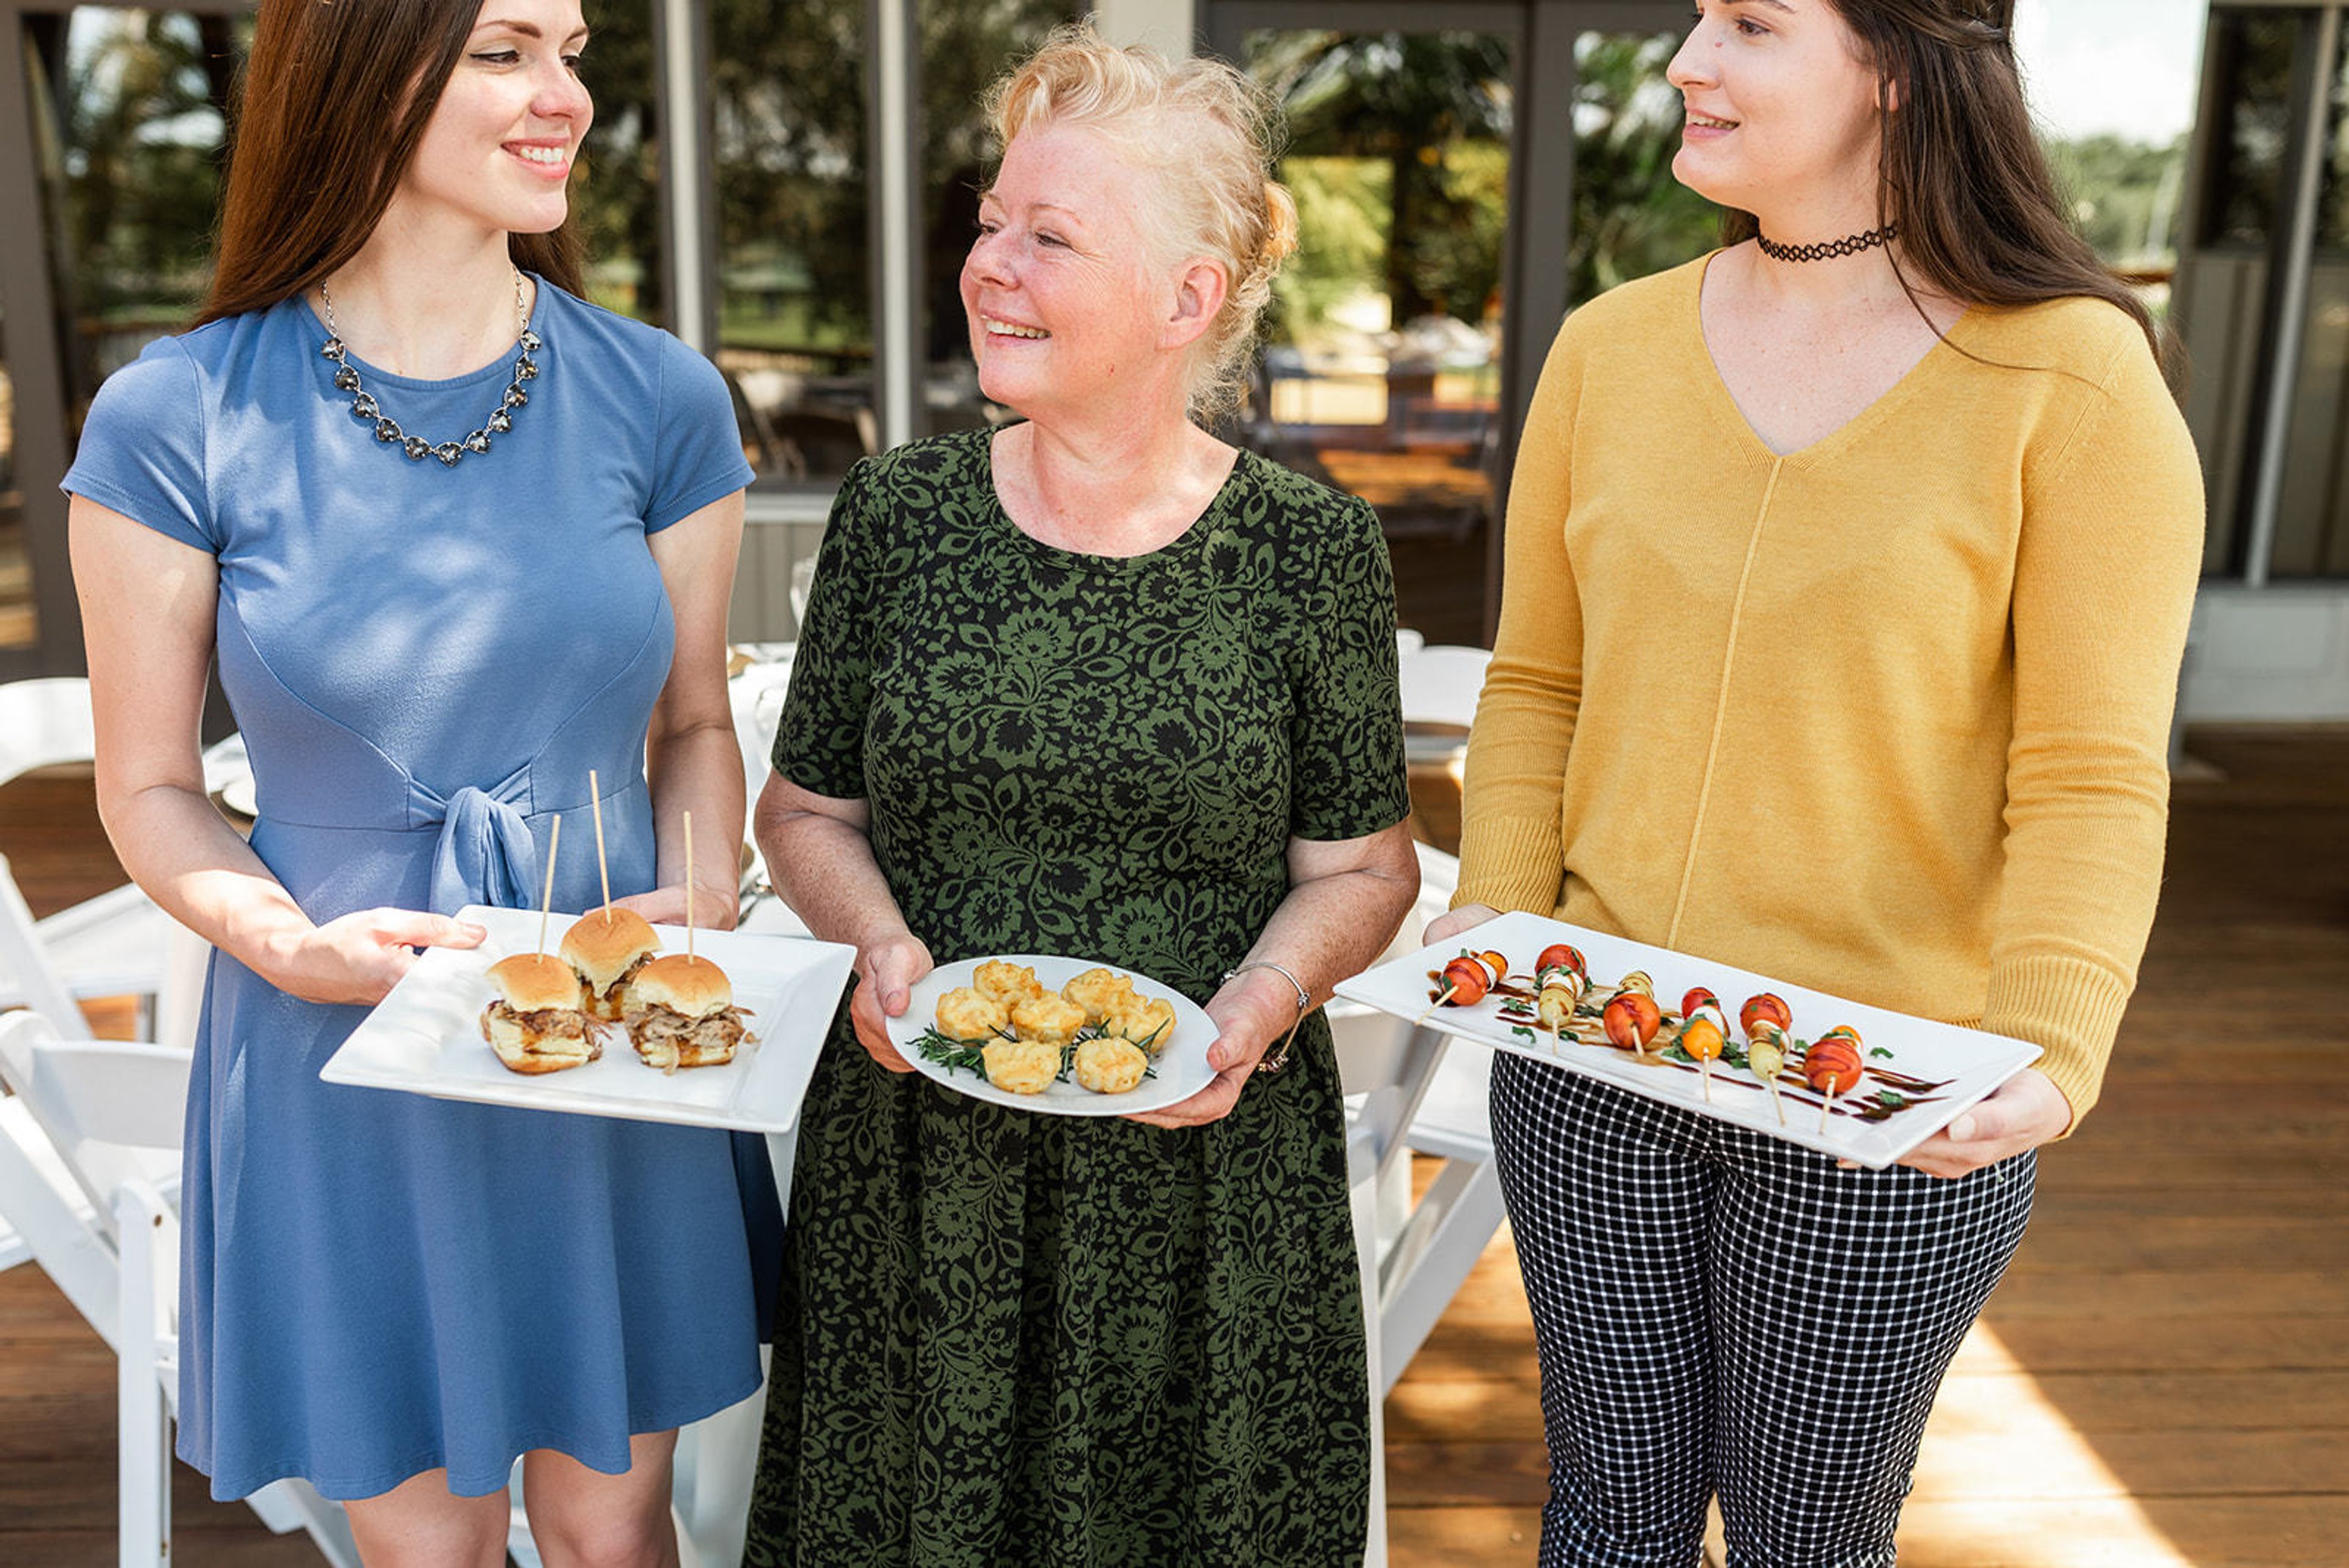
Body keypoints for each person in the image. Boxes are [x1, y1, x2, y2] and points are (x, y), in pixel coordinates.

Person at [1424, 1, 2202, 1562]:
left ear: (1895, 70)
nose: (1686, 61)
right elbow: (1538, 681)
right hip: (1594, 1047)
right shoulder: (1608, 348)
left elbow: (2089, 773)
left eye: (1753, 24)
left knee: (1810, 1540)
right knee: (1609, 1519)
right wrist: (1501, 916)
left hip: (1885, 1089)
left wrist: (2054, 1046)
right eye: (1696, 18)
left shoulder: (2074, 377)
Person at [64, 0, 779, 1561]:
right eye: (506, 52)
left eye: (573, 52)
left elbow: (694, 726)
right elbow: (148, 787)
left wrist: (700, 889)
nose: (564, 95)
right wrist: (287, 946)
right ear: (365, 75)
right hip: (339, 1041)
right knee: (423, 1545)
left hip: (607, 1021)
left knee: (617, 1526)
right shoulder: (177, 414)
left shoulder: (661, 395)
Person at [741, 26, 1419, 1568]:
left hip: (1206, 1186)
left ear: (1188, 298)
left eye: (1049, 237)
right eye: (991, 222)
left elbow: (1365, 869)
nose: (990, 264)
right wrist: (877, 943)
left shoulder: (1312, 553)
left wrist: (1260, 1002)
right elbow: (806, 814)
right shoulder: (896, 515)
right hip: (925, 1175)